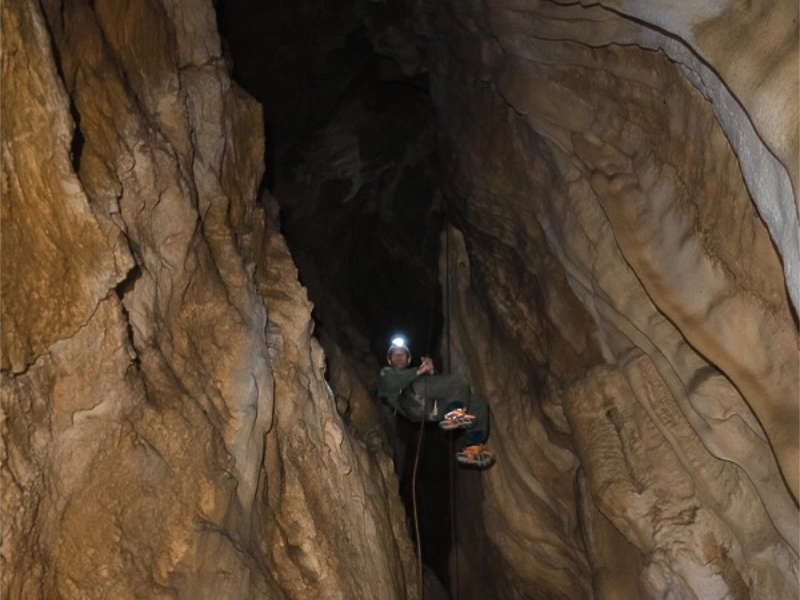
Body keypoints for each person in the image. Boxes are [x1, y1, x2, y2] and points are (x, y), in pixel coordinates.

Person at [377, 337, 494, 468]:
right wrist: (420, 370)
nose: (398, 356)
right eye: (395, 354)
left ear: (408, 359)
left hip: (432, 411)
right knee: (458, 382)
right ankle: (454, 413)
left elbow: (440, 388)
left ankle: (472, 446)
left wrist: (431, 372)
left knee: (479, 403)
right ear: (389, 360)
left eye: (402, 354)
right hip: (409, 399)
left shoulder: (415, 375)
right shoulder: (386, 373)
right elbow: (394, 382)